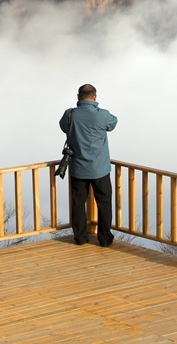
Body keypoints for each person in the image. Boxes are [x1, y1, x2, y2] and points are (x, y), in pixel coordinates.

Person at [59, 83, 117, 246]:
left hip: (78, 168)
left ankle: (80, 237)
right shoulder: (103, 115)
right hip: (100, 168)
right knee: (104, 204)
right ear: (95, 97)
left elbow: (64, 127)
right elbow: (113, 124)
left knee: (78, 204)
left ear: (78, 97)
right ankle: (105, 239)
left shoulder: (69, 114)